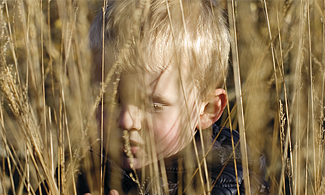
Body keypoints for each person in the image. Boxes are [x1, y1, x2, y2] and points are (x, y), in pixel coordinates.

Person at [39, 0, 269, 194]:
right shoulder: (80, 169)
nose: (126, 121)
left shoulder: (228, 181)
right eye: (108, 99)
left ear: (207, 109)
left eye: (152, 104)